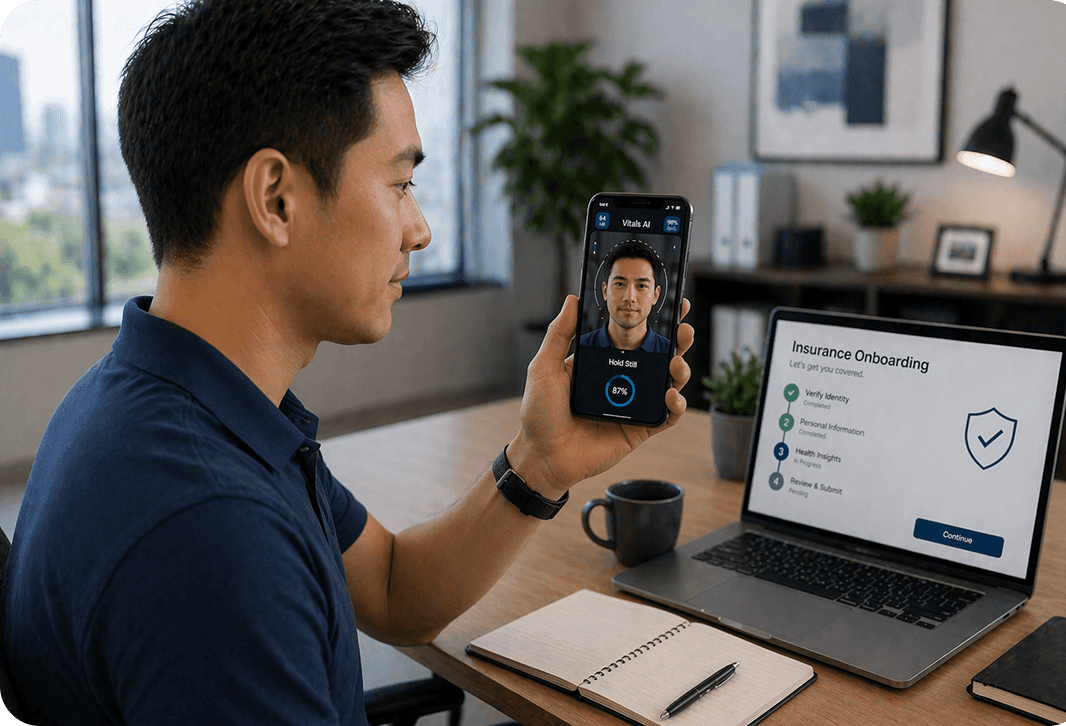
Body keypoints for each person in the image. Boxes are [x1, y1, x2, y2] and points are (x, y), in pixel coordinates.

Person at [0, 1, 693, 724]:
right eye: (399, 184)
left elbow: (396, 592)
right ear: (276, 199)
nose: (419, 230)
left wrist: (540, 461)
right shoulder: (214, 535)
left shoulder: (156, 401)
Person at [579, 239, 672, 353]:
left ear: (655, 295)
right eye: (619, 284)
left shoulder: (668, 353)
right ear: (604, 291)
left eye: (641, 286)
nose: (629, 297)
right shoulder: (582, 347)